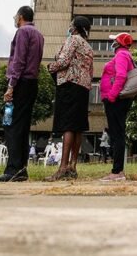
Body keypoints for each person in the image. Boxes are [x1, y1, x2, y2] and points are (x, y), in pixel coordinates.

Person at [0, 6, 45, 182]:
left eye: (16, 16)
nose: (15, 19)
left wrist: (11, 85)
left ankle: (12, 169)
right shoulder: (38, 34)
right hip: (32, 81)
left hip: (21, 81)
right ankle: (21, 169)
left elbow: (19, 59)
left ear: (21, 17)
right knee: (22, 126)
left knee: (13, 126)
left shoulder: (23, 32)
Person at [46, 16, 94, 181]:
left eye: (71, 24)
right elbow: (91, 71)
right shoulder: (88, 46)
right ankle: (73, 166)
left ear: (75, 27)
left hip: (70, 84)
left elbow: (64, 61)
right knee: (78, 126)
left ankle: (62, 167)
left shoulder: (73, 39)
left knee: (67, 125)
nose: (70, 27)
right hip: (83, 87)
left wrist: (50, 67)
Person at [99, 32, 135, 182]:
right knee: (117, 133)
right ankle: (117, 170)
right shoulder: (124, 55)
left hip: (116, 100)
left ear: (119, 42)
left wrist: (111, 96)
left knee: (117, 134)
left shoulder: (121, 55)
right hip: (118, 100)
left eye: (114, 40)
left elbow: (121, 76)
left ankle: (117, 171)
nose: (112, 43)